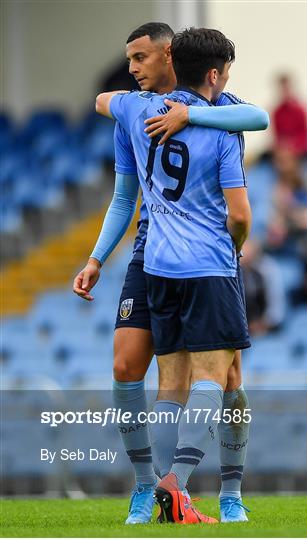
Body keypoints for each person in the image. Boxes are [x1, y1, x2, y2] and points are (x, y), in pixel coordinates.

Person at [73, 22, 268, 524]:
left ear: (169, 55)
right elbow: (123, 196)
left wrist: (190, 113)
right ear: (211, 71)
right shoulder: (145, 114)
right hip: (166, 250)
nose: (133, 68)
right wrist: (96, 257)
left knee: (222, 378)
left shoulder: (214, 108)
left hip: (177, 256)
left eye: (140, 57)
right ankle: (158, 487)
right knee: (138, 368)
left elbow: (257, 114)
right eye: (130, 59)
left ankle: (227, 492)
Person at [272, 73, 307, 157]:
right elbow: (277, 136)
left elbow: (306, 136)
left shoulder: (300, 110)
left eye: (286, 89)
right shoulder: (277, 112)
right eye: (282, 89)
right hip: (283, 150)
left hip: (299, 151)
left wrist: (293, 145)